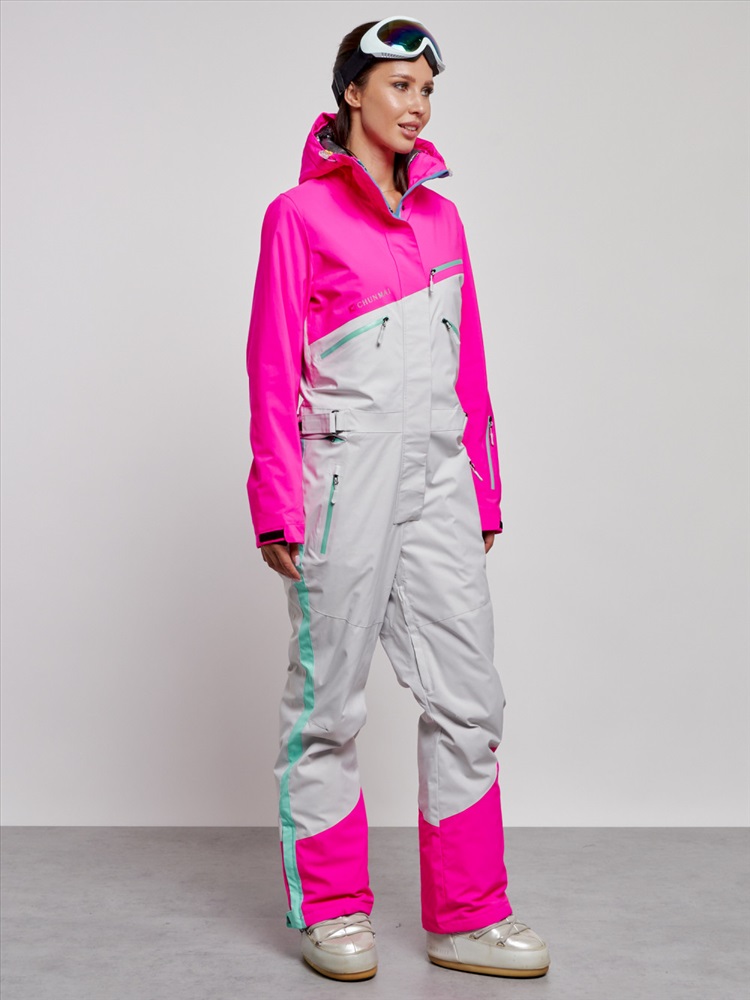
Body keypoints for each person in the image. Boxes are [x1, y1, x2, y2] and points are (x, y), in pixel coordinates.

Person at [245, 15, 551, 982]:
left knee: (470, 697)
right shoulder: (299, 215)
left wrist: (483, 487)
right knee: (329, 704)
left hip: (440, 476)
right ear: (352, 93)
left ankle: (468, 916)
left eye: (427, 90)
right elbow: (270, 367)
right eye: (400, 87)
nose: (417, 106)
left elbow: (471, 363)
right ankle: (333, 909)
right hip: (344, 478)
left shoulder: (443, 221)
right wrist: (275, 501)